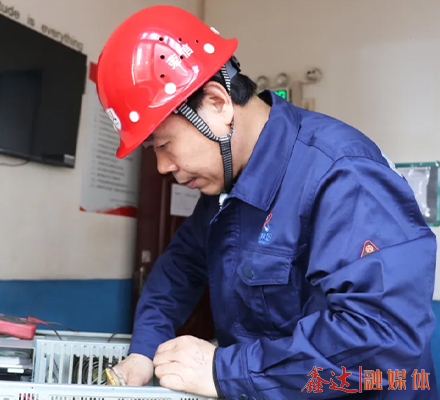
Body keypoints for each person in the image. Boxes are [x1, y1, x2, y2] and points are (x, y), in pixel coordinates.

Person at [95, 5, 438, 399]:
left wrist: (225, 372)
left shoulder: (342, 173)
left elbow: (381, 339)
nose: (162, 166)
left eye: (164, 144)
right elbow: (180, 268)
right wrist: (144, 350)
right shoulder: (224, 189)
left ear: (217, 103)